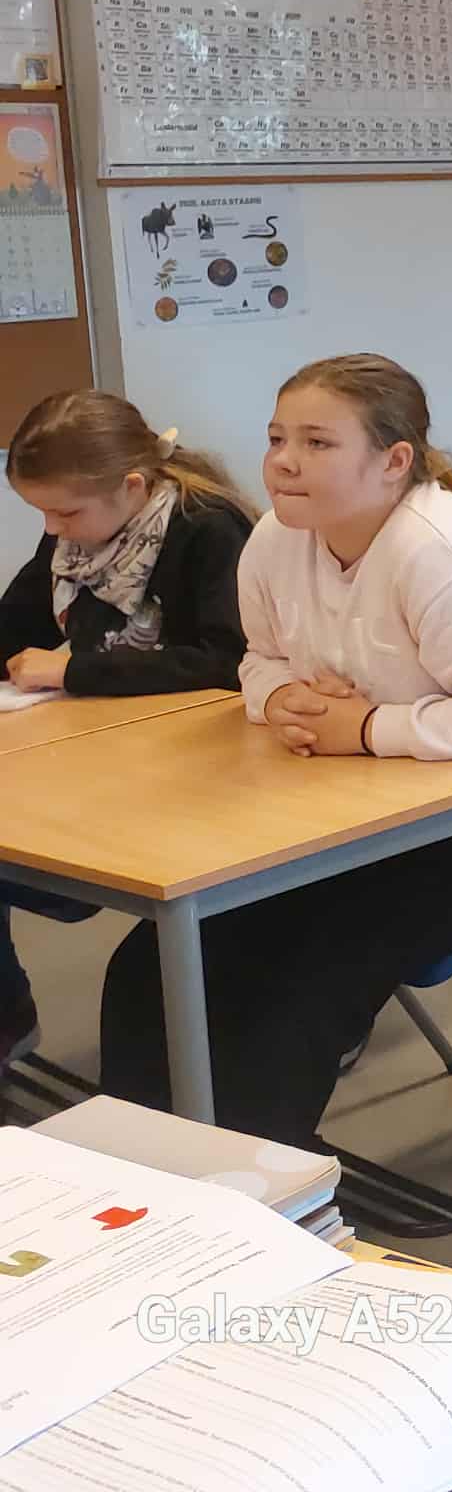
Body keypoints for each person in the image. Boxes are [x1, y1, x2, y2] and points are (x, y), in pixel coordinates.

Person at [96, 355, 452, 1144]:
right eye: (277, 439)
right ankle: (141, 1177)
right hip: (365, 810)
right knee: (154, 961)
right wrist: (282, 699)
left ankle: (260, 1188)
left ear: (394, 461)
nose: (283, 462)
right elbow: (258, 658)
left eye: (317, 443)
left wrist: (366, 729)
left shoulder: (445, 556)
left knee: (306, 975)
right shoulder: (278, 538)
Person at [0, 391, 254, 1064]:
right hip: (107, 758)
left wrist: (74, 670)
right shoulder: (76, 530)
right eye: (41, 513)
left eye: (65, 513)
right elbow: (13, 626)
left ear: (133, 487)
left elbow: (227, 664)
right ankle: (8, 1016)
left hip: (204, 771)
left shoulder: (208, 529)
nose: (52, 528)